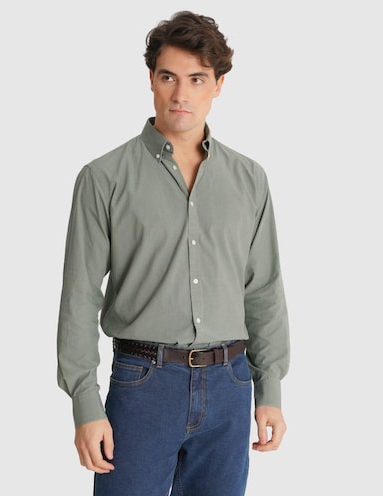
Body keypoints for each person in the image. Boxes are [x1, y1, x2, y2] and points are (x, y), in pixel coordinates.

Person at [57, 10, 290, 496]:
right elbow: (80, 296)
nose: (181, 94)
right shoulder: (103, 178)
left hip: (230, 385)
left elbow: (263, 290)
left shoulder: (250, 179)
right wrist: (85, 405)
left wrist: (269, 390)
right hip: (143, 384)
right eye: (168, 77)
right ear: (151, 80)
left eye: (197, 79)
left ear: (218, 85)